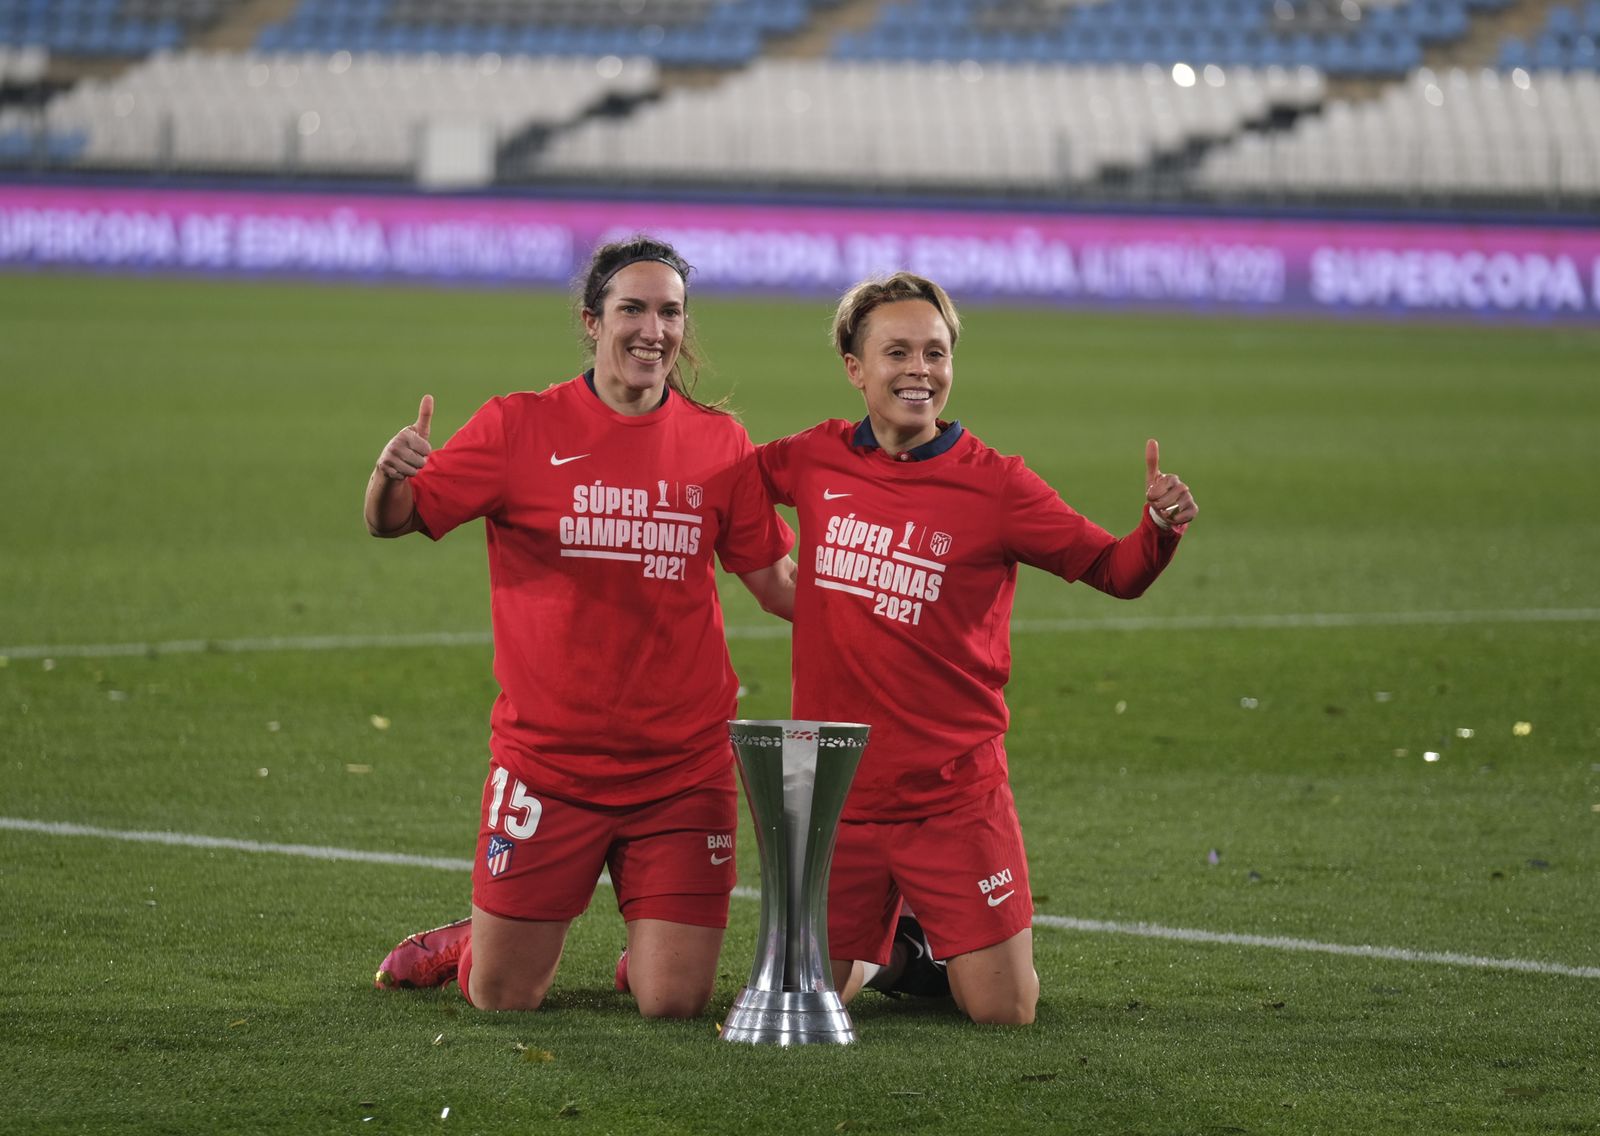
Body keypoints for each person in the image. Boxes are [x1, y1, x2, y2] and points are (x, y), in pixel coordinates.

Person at [365, 236, 796, 1017]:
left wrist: (884, 609)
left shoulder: (719, 442)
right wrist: (387, 477)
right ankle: (473, 941)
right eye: (633, 309)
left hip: (681, 767)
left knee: (674, 1003)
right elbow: (397, 518)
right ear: (593, 321)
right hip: (549, 766)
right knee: (503, 997)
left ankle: (652, 953)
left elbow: (776, 582)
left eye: (670, 313)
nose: (653, 330)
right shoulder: (518, 427)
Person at [756, 272, 1197, 1025]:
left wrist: (1158, 528)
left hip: (952, 794)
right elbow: (727, 487)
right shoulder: (813, 458)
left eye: (935, 352)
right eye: (897, 352)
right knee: (808, 999)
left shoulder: (998, 487)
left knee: (1004, 1010)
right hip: (839, 792)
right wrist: (771, 575)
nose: (919, 371)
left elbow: (1114, 571)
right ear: (855, 368)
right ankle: (900, 950)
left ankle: (922, 947)